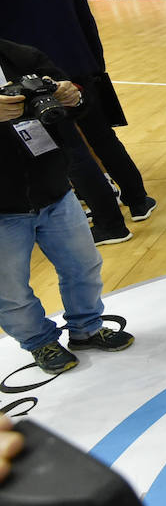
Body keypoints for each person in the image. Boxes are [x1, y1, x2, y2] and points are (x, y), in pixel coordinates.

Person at [0, 0, 156, 246]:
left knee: (68, 150)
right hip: (78, 60)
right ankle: (138, 199)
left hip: (29, 76)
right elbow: (82, 10)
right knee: (101, 137)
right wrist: (95, 63)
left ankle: (110, 224)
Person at [0, 37, 134, 374]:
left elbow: (77, 102)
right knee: (10, 289)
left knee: (83, 265)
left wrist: (72, 95)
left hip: (54, 187)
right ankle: (39, 343)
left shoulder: (21, 55)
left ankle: (87, 328)